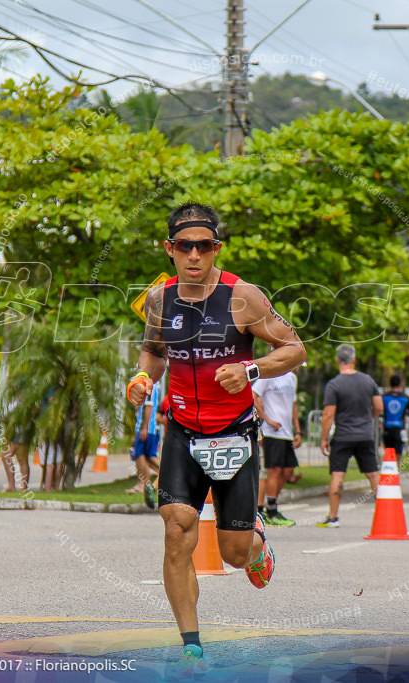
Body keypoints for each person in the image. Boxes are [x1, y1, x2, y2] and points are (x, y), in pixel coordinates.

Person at [125, 202, 305, 673]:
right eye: (185, 246)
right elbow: (152, 352)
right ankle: (191, 645)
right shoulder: (160, 300)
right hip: (182, 431)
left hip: (235, 434)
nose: (194, 255)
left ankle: (257, 544)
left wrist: (250, 369)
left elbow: (294, 349)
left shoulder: (243, 297)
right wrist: (144, 379)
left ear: (216, 249)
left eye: (204, 246)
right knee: (176, 530)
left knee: (232, 552)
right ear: (170, 249)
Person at [318, 344, 382, 528]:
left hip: (343, 437)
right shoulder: (368, 381)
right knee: (373, 474)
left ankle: (333, 517)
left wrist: (324, 438)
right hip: (365, 435)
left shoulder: (335, 384)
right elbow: (378, 407)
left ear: (337, 361)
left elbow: (328, 414)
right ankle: (385, 513)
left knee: (338, 475)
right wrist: (369, 418)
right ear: (353, 360)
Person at [252, 370, 301, 527]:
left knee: (288, 470)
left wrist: (297, 430)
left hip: (286, 432)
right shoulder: (269, 375)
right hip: (272, 431)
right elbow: (252, 396)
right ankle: (271, 511)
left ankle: (269, 504)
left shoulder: (293, 378)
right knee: (274, 470)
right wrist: (266, 419)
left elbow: (293, 405)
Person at [126, 378, 161, 510]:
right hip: (147, 427)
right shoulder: (154, 384)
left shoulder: (148, 384)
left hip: (148, 427)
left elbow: (149, 406)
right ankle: (147, 484)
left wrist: (144, 427)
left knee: (141, 454)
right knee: (147, 455)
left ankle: (143, 484)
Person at [381, 375, 409, 466]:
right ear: (400, 384)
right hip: (400, 428)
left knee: (388, 451)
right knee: (398, 451)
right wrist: (406, 413)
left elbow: (379, 409)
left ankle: (388, 470)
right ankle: (396, 471)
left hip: (387, 428)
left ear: (390, 383)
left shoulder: (384, 397)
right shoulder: (406, 398)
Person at [0, 396, 30, 492]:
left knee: (17, 459)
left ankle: (18, 486)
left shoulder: (24, 397)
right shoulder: (13, 398)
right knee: (12, 458)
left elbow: (19, 415)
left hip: (20, 431)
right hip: (15, 432)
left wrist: (6, 419)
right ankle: (14, 485)